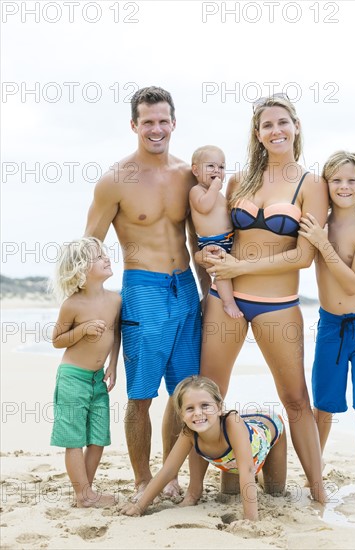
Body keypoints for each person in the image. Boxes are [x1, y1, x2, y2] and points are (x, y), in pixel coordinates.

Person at [191, 95, 329, 504]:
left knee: (296, 399)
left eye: (283, 122)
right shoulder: (238, 181)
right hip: (224, 299)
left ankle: (319, 491)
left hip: (279, 304)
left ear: (296, 126)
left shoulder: (312, 184)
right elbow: (216, 237)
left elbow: (303, 256)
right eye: (267, 125)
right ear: (257, 134)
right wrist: (205, 257)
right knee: (207, 393)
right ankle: (198, 490)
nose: (276, 131)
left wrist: (240, 269)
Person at [84, 86, 205, 500]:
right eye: (147, 122)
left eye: (163, 121)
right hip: (143, 290)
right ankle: (141, 478)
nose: (156, 129)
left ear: (174, 122)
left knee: (185, 393)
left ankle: (169, 475)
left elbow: (198, 241)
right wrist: (93, 314)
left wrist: (210, 294)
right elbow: (89, 246)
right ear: (134, 125)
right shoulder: (115, 181)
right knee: (140, 396)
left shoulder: (187, 175)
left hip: (185, 288)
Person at [298, 150, 355, 506]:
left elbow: (353, 284)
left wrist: (323, 244)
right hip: (330, 325)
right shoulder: (317, 221)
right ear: (326, 184)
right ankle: (315, 477)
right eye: (336, 179)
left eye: (351, 180)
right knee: (324, 406)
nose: (344, 186)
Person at [120, 375, 286, 520]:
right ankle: (252, 475)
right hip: (232, 461)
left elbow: (248, 470)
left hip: (269, 430)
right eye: (190, 408)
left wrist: (250, 520)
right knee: (229, 494)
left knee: (274, 490)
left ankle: (262, 474)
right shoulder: (189, 433)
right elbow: (168, 471)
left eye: (205, 406)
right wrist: (140, 507)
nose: (198, 413)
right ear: (181, 415)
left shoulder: (232, 423)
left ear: (220, 408)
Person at [50, 236, 121, 508]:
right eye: (97, 256)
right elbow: (57, 340)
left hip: (97, 379)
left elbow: (117, 335)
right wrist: (82, 330)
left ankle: (86, 493)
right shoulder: (72, 304)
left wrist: (113, 364)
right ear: (80, 269)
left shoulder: (115, 300)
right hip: (72, 378)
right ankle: (84, 495)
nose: (106, 257)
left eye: (104, 253)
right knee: (74, 438)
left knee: (98, 437)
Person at [190, 145, 242, 318]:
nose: (217, 170)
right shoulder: (197, 191)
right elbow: (204, 207)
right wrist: (214, 188)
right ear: (196, 170)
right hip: (212, 242)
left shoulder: (219, 195)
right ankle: (228, 303)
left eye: (221, 167)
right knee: (221, 272)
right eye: (211, 166)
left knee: (233, 268)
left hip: (229, 239)